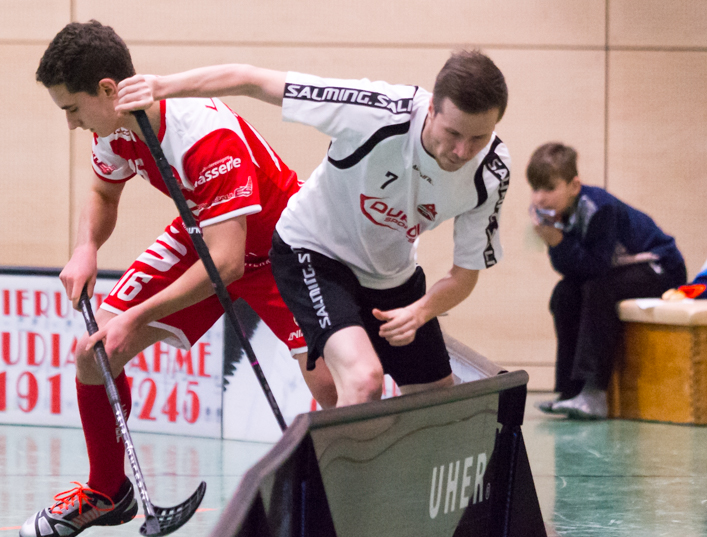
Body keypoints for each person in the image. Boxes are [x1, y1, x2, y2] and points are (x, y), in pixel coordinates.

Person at [21, 21, 336, 537]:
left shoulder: (202, 134)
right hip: (205, 234)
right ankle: (107, 492)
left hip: (285, 251)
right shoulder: (115, 128)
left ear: (106, 90)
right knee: (95, 351)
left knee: (333, 386)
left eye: (72, 110)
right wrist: (86, 248)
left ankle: (343, 508)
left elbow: (228, 265)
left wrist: (137, 315)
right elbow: (103, 196)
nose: (72, 125)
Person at [115, 52, 511, 408]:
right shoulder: (376, 112)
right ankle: (337, 492)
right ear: (431, 111)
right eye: (453, 134)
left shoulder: (491, 173)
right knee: (363, 381)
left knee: (438, 404)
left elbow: (464, 274)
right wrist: (161, 87)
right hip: (313, 250)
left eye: (478, 138)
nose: (461, 152)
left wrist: (421, 311)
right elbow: (253, 79)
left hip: (392, 273)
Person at [527, 142, 686, 419]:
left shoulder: (598, 208)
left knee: (599, 289)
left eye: (549, 188)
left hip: (661, 267)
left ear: (574, 186)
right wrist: (556, 243)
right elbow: (571, 272)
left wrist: (558, 242)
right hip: (617, 271)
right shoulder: (560, 213)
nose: (540, 198)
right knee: (564, 293)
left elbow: (596, 267)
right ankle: (569, 391)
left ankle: (593, 393)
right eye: (535, 188)